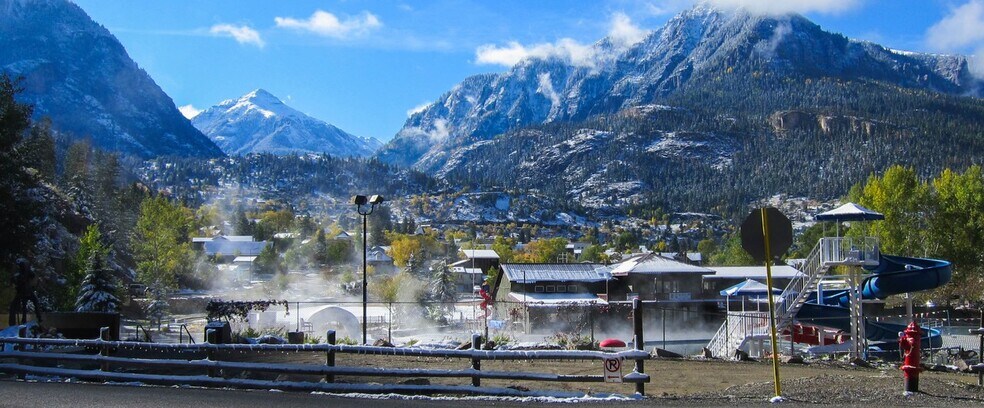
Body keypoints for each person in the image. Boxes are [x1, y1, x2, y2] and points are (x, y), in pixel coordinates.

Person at [8, 258, 42, 326]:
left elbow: (32, 276)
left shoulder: (21, 274)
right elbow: (32, 276)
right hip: (25, 291)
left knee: (24, 304)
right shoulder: (21, 274)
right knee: (30, 303)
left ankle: (37, 318)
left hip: (23, 292)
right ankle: (38, 317)